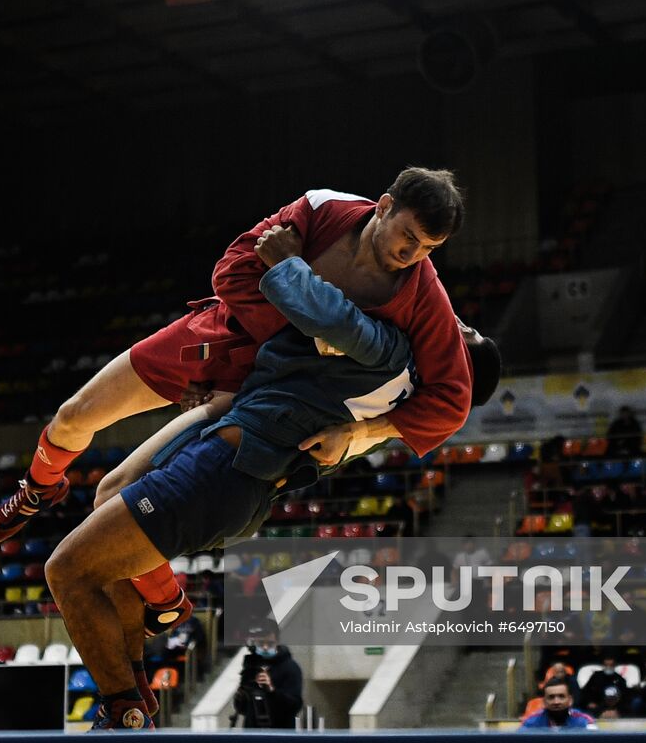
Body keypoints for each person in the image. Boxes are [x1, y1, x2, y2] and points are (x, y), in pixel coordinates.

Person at [45, 238, 500, 729]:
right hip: (234, 446)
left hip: (225, 471)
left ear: (454, 367)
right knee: (110, 495)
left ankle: (124, 708)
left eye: (464, 335)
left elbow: (316, 311)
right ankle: (139, 677)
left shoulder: (390, 349)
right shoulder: (395, 401)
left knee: (69, 571)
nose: (453, 321)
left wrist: (288, 254)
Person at [0, 169, 472, 546]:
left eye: (430, 248)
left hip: (263, 391)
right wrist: (314, 329)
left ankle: (166, 602)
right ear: (385, 206)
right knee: (74, 416)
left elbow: (453, 399)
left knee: (119, 493)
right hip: (221, 334)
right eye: (409, 236)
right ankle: (38, 487)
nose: (414, 254)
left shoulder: (425, 296)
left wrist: (364, 431)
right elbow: (230, 275)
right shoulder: (325, 209)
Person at [231, 620, 303, 729]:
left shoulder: (290, 667)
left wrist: (271, 690)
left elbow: (295, 706)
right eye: (260, 643)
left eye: (270, 643)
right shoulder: (251, 666)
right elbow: (243, 708)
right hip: (252, 731)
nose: (265, 647)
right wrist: (241, 697)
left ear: (277, 642)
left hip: (280, 732)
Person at [519, 678, 596, 730]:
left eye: (561, 696)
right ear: (544, 702)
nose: (556, 702)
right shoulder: (531, 722)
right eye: (551, 697)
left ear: (570, 700)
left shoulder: (584, 722)